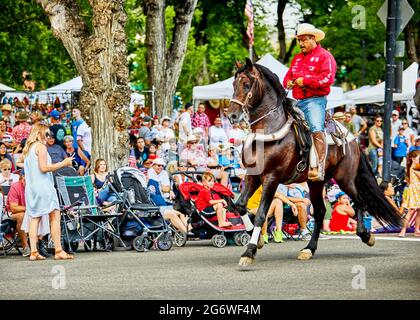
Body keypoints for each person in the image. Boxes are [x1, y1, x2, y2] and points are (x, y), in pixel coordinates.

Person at [283, 23, 336, 181]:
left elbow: (328, 79)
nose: (300, 44)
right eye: (299, 40)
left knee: (315, 128)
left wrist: (305, 80)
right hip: (296, 100)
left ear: (313, 39)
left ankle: (320, 168)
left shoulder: (325, 56)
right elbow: (287, 77)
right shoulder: (297, 58)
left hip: (315, 100)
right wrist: (289, 83)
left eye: (303, 40)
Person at [20, 123, 74, 260]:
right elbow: (43, 168)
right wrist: (64, 163)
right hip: (44, 186)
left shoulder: (28, 149)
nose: (48, 136)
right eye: (47, 133)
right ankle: (58, 250)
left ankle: (33, 252)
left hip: (31, 188)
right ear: (39, 134)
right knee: (55, 216)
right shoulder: (41, 147)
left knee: (34, 218)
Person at [399, 150, 420, 237]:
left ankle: (416, 229)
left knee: (418, 211)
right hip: (416, 190)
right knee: (411, 211)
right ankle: (403, 230)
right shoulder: (415, 166)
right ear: (412, 158)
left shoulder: (412, 166)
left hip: (416, 190)